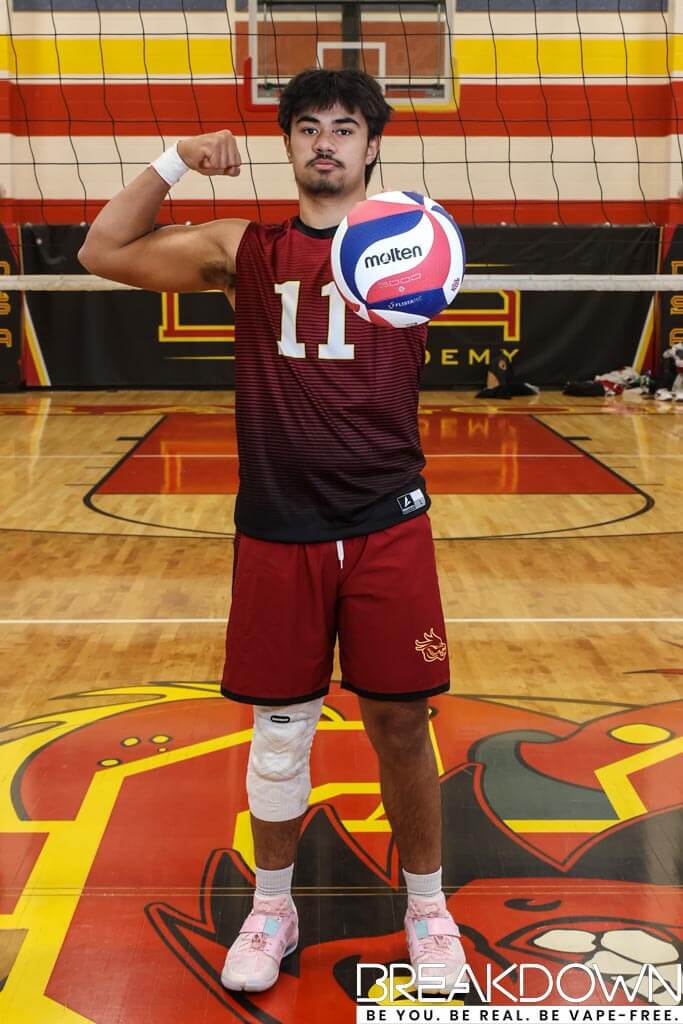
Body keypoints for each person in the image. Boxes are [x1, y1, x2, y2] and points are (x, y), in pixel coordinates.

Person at [78, 68, 466, 995]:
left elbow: (419, 261)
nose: (325, 141)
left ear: (373, 146)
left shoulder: (417, 242)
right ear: (287, 143)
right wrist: (176, 160)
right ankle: (272, 907)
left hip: (386, 521)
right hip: (278, 526)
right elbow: (101, 249)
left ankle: (428, 911)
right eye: (307, 126)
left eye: (345, 127)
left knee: (400, 724)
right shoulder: (243, 248)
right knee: (280, 732)